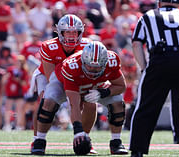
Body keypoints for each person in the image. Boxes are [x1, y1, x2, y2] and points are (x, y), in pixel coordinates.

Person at [130, 0, 179, 156]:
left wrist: (144, 67)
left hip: (159, 59)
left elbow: (136, 43)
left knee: (146, 107)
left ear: (159, 4)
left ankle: (138, 150)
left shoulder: (148, 16)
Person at [32, 40, 129, 155]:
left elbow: (121, 86)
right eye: (90, 66)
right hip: (62, 82)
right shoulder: (71, 66)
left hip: (95, 85)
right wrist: (78, 131)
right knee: (48, 102)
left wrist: (103, 92)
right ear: (83, 60)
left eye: (97, 67)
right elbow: (74, 104)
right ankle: (39, 141)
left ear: (104, 63)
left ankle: (116, 142)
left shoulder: (112, 61)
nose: (93, 70)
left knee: (117, 101)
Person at [29, 14, 91, 152]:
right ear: (60, 32)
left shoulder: (88, 46)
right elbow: (51, 76)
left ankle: (85, 139)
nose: (71, 35)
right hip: (48, 75)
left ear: (80, 32)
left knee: (89, 103)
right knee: (46, 101)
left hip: (75, 77)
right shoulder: (49, 46)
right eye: (68, 31)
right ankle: (38, 139)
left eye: (75, 31)